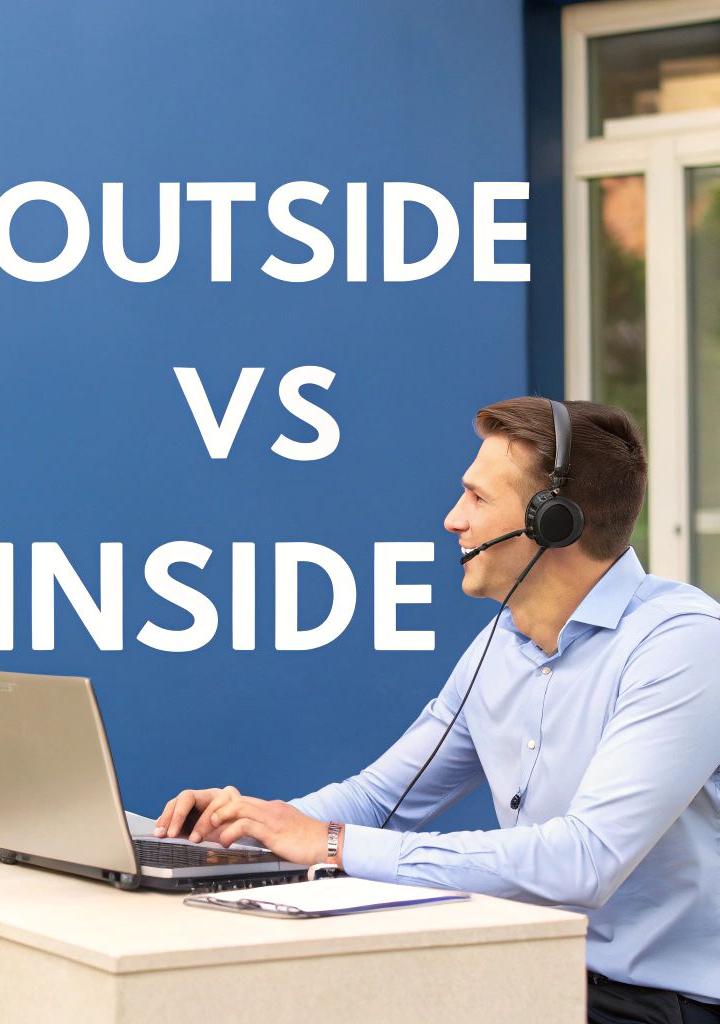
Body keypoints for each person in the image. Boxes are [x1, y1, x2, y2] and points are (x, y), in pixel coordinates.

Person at [154, 397, 720, 1024]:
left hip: (667, 1005)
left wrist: (332, 844)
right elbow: (382, 800)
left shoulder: (685, 645)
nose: (453, 520)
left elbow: (584, 862)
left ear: (553, 521)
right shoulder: (499, 647)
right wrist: (248, 830)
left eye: (477, 499)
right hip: (544, 975)